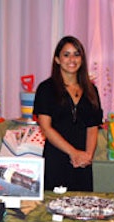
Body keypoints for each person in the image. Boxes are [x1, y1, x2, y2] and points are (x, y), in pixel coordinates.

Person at [33, 36, 103, 191]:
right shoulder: (46, 89)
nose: (72, 59)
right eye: (66, 54)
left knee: (82, 207)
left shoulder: (92, 91)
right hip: (56, 158)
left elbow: (92, 127)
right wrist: (73, 153)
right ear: (57, 59)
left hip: (82, 162)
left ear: (82, 59)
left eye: (76, 54)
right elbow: (46, 128)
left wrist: (87, 156)